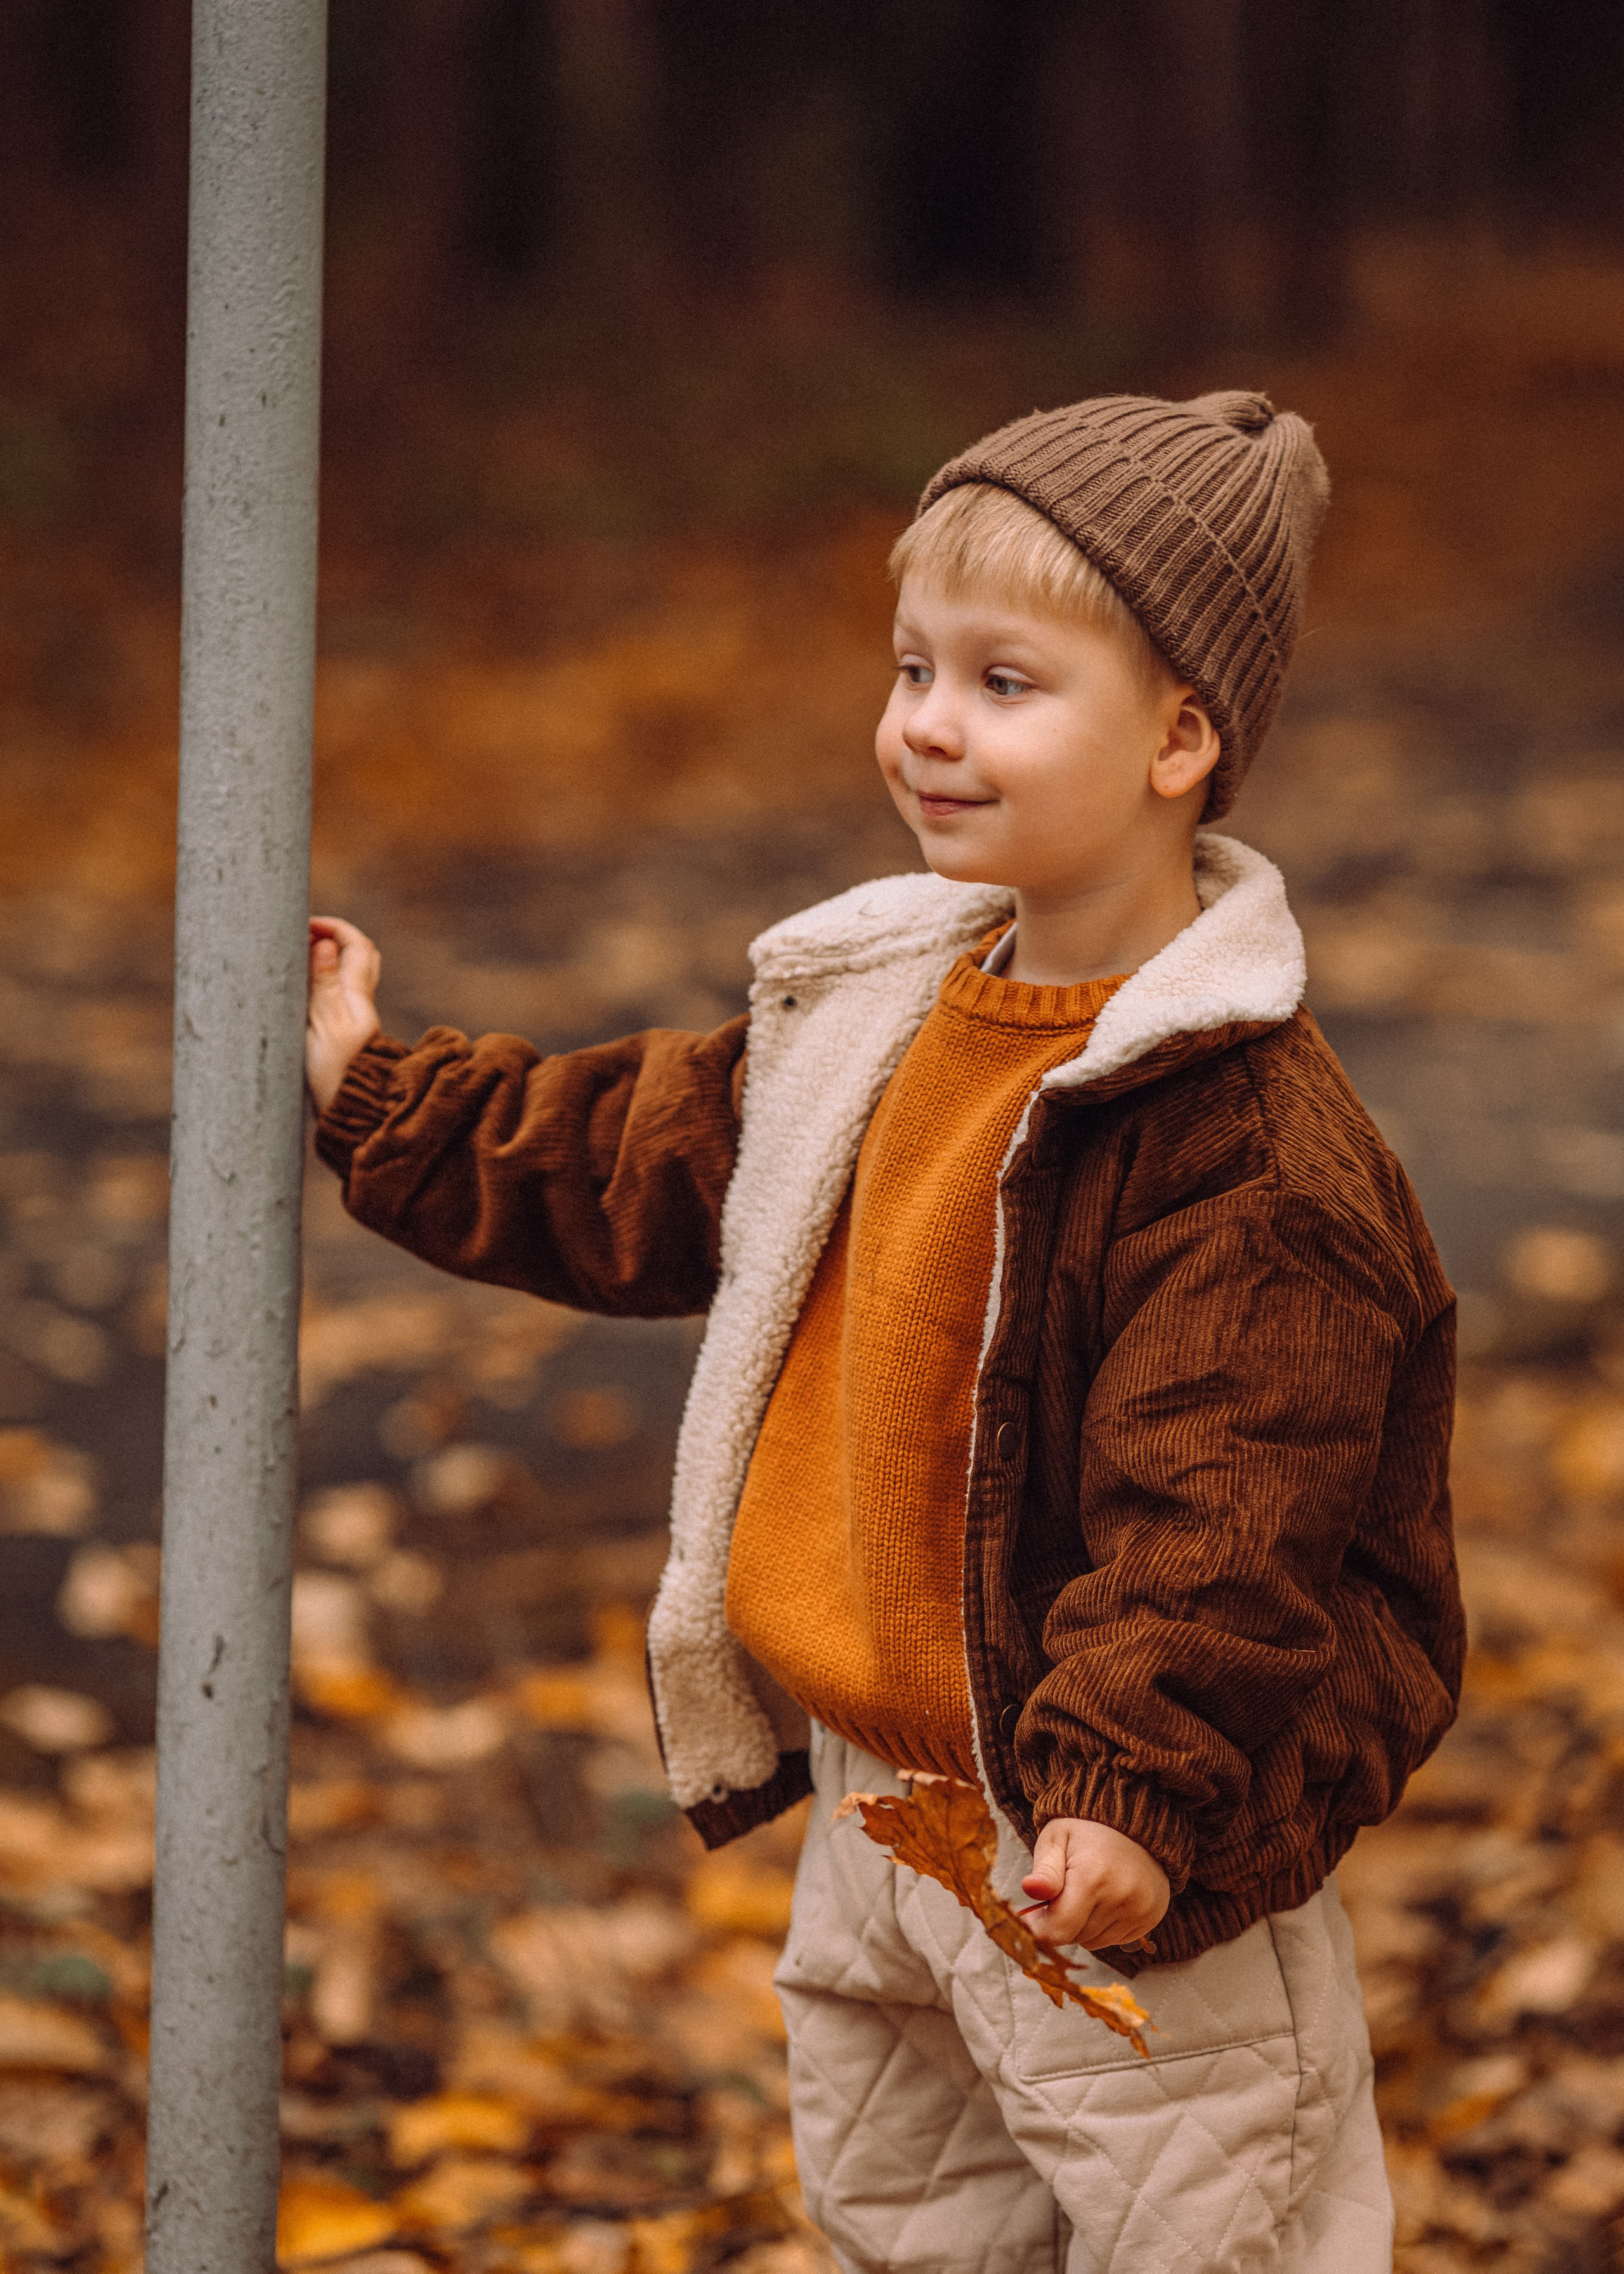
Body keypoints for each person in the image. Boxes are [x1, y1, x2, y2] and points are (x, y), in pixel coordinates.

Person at [306, 390, 1463, 2272]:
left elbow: (1230, 1514)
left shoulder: (1239, 1141)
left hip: (1109, 1841)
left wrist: (1132, 1792)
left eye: (1005, 683)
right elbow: (638, 1154)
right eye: (913, 665)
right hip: (884, 1812)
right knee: (912, 2230)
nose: (927, 720)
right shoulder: (886, 1004)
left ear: (1181, 738)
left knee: (1206, 2229)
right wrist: (391, 1102)